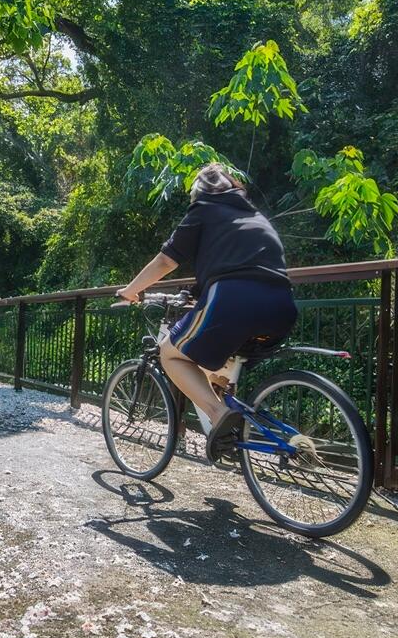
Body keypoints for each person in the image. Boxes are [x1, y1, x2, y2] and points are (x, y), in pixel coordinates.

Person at [116, 162, 298, 461]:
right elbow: (237, 261)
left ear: (198, 193)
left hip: (235, 299)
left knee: (170, 353)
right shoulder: (253, 215)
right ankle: (234, 431)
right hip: (282, 305)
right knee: (220, 363)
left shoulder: (204, 209)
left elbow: (166, 260)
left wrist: (131, 290)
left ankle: (218, 414)